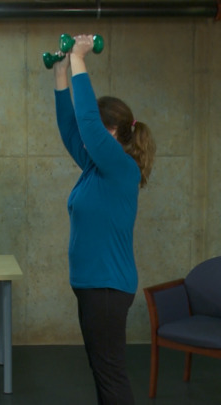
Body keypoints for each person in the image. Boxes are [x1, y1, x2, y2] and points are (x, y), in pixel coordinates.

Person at [53, 34, 155, 405]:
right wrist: (61, 72)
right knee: (102, 372)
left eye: (96, 128)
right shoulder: (96, 168)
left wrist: (79, 59)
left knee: (111, 376)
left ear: (111, 132)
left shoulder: (120, 167)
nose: (87, 135)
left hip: (107, 288)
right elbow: (71, 129)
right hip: (93, 286)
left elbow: (85, 122)